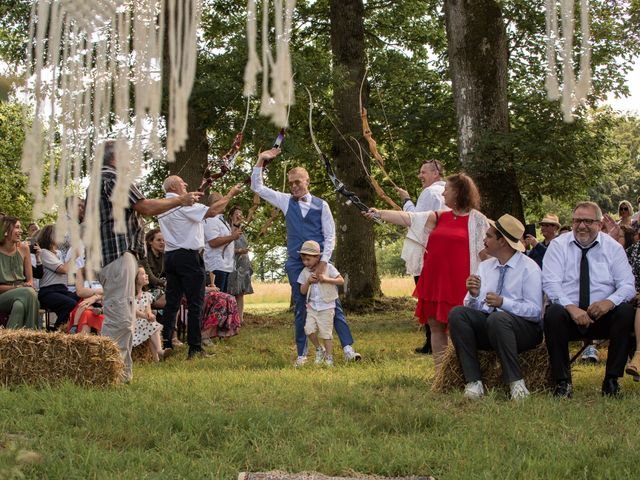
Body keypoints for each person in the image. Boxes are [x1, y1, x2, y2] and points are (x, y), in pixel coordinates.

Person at [91, 139, 203, 382]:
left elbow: (144, 207)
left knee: (123, 317)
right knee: (120, 318)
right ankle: (110, 376)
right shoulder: (113, 178)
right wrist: (180, 200)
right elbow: (145, 207)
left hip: (116, 257)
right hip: (118, 256)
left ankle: (122, 376)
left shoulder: (102, 180)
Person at [251, 148, 362, 366]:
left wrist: (323, 263)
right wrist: (260, 160)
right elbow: (258, 187)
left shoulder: (322, 205)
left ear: (307, 181)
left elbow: (330, 236)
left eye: (297, 182)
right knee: (301, 306)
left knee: (332, 304)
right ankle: (303, 354)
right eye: (291, 183)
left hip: (320, 260)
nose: (293, 186)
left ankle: (348, 348)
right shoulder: (285, 201)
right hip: (295, 263)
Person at [365, 173, 488, 368]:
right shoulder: (438, 216)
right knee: (436, 327)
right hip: (435, 281)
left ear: (459, 192)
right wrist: (379, 213)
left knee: (459, 329)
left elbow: (487, 253)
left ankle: (464, 370)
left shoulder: (478, 220)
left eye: (447, 189)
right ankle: (441, 373)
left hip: (460, 282)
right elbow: (409, 218)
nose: (443, 193)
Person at [542, 201, 635, 398]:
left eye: (587, 221)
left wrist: (608, 303)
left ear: (600, 224)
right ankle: (563, 382)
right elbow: (550, 284)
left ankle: (611, 380)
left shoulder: (613, 248)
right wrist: (571, 308)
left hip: (603, 315)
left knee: (625, 311)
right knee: (553, 313)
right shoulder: (558, 246)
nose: (581, 226)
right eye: (577, 221)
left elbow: (628, 286)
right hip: (569, 316)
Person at [448, 214, 543, 400]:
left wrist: (504, 303)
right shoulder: (485, 267)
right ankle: (473, 382)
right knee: (458, 313)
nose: (484, 240)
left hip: (523, 331)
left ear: (503, 242)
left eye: (489, 236)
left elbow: (536, 312)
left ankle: (516, 384)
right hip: (492, 326)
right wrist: (474, 296)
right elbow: (473, 306)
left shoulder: (529, 268)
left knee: (498, 318)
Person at [158, 175, 242, 359]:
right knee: (196, 303)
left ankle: (165, 344)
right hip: (188, 256)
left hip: (171, 256)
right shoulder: (183, 205)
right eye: (182, 183)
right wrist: (230, 194)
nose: (186, 184)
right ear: (173, 186)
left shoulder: (162, 206)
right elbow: (212, 211)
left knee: (172, 303)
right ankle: (195, 348)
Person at [395, 160, 447, 355]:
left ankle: (432, 342)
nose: (420, 176)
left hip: (427, 252)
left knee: (427, 297)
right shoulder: (445, 193)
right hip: (440, 251)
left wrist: (406, 200)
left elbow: (416, 219)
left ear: (436, 173)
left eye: (423, 172)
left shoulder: (430, 192)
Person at [297, 240, 345, 367]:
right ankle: (319, 349)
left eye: (308, 259)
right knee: (308, 330)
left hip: (327, 306)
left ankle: (329, 358)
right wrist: (308, 282)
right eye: (303, 260)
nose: (305, 263)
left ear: (317, 257)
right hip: (312, 307)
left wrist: (326, 279)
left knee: (326, 333)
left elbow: (341, 281)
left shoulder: (328, 267)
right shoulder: (305, 272)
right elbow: (302, 291)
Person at [35, 225, 81, 330]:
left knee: (81, 299)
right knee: (70, 304)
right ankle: (57, 332)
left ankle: (72, 329)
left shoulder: (58, 254)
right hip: (49, 292)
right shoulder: (44, 253)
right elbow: (63, 269)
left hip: (62, 290)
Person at [0, 216, 39, 329]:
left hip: (22, 292)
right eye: (17, 227)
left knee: (19, 306)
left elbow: (30, 280)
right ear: (6, 231)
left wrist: (27, 285)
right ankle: (32, 335)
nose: (21, 231)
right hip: (3, 295)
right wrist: (18, 288)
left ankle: (10, 341)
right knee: (28, 293)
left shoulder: (23, 248)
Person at [133, 267, 171, 362]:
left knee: (151, 325)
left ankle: (157, 357)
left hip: (143, 323)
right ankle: (159, 352)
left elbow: (148, 310)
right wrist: (146, 316)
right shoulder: (130, 296)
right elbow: (133, 311)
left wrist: (150, 315)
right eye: (143, 274)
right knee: (151, 326)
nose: (146, 275)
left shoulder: (147, 295)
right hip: (133, 324)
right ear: (135, 279)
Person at [203, 193, 239, 293]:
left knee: (223, 297)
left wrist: (235, 225)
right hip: (216, 266)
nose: (225, 203)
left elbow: (228, 237)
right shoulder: (210, 220)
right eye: (223, 200)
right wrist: (232, 237)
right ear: (215, 203)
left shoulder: (221, 220)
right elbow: (213, 242)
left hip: (226, 265)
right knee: (217, 298)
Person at [225, 205, 254, 323]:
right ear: (231, 216)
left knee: (241, 293)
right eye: (236, 213)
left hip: (244, 265)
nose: (239, 215)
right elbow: (225, 247)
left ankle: (240, 320)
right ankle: (230, 319)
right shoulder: (228, 229)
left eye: (240, 213)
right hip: (232, 263)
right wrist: (239, 251)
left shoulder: (242, 231)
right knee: (231, 292)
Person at [140, 228, 167, 309]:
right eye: (159, 240)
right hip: (146, 289)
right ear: (150, 242)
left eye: (163, 240)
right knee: (171, 301)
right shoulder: (145, 256)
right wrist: (165, 283)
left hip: (159, 288)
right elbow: (150, 277)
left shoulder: (163, 256)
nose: (162, 242)